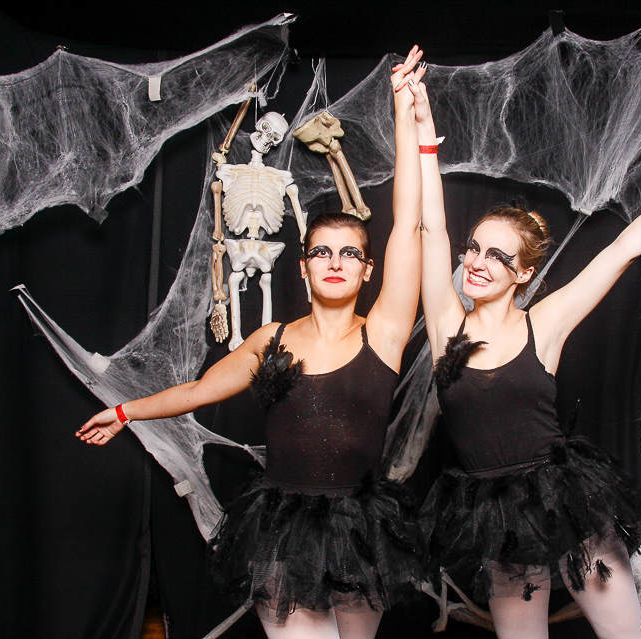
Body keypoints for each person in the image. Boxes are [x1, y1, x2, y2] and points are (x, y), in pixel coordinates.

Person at [397, 64, 641, 639]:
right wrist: (424, 134)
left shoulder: (546, 323)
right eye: (474, 248)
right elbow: (430, 227)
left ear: (523, 273)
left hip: (564, 496)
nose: (476, 262)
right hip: (493, 510)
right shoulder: (447, 322)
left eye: (498, 256)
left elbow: (622, 248)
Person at [77, 47, 430, 639]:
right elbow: (197, 391)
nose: (335, 262)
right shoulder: (271, 340)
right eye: (322, 252)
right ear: (303, 267)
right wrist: (122, 411)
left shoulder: (386, 331)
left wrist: (405, 113)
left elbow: (411, 222)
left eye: (350, 253)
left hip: (360, 529)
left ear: (368, 270)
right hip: (283, 529)